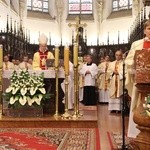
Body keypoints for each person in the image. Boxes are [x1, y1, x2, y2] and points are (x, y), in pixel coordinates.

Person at [125, 17, 150, 138]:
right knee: (139, 104)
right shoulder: (137, 44)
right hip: (141, 80)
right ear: (145, 30)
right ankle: (136, 132)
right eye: (149, 28)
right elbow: (129, 60)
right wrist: (133, 68)